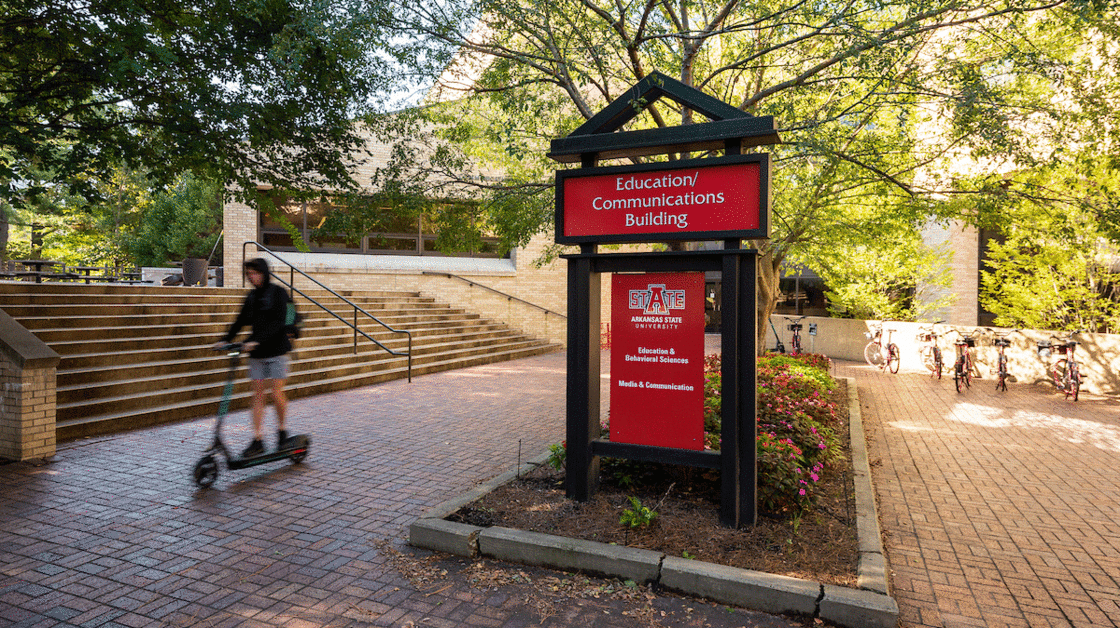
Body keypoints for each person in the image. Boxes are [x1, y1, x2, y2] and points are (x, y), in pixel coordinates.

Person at [216, 258, 296, 457]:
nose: (252, 277)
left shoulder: (278, 293)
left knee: (276, 393)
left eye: (255, 273)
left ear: (264, 273)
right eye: (249, 274)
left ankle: (282, 432)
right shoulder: (251, 297)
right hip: (257, 354)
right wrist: (225, 339)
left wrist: (256, 341)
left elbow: (279, 322)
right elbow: (240, 320)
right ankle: (258, 439)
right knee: (257, 395)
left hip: (277, 351)